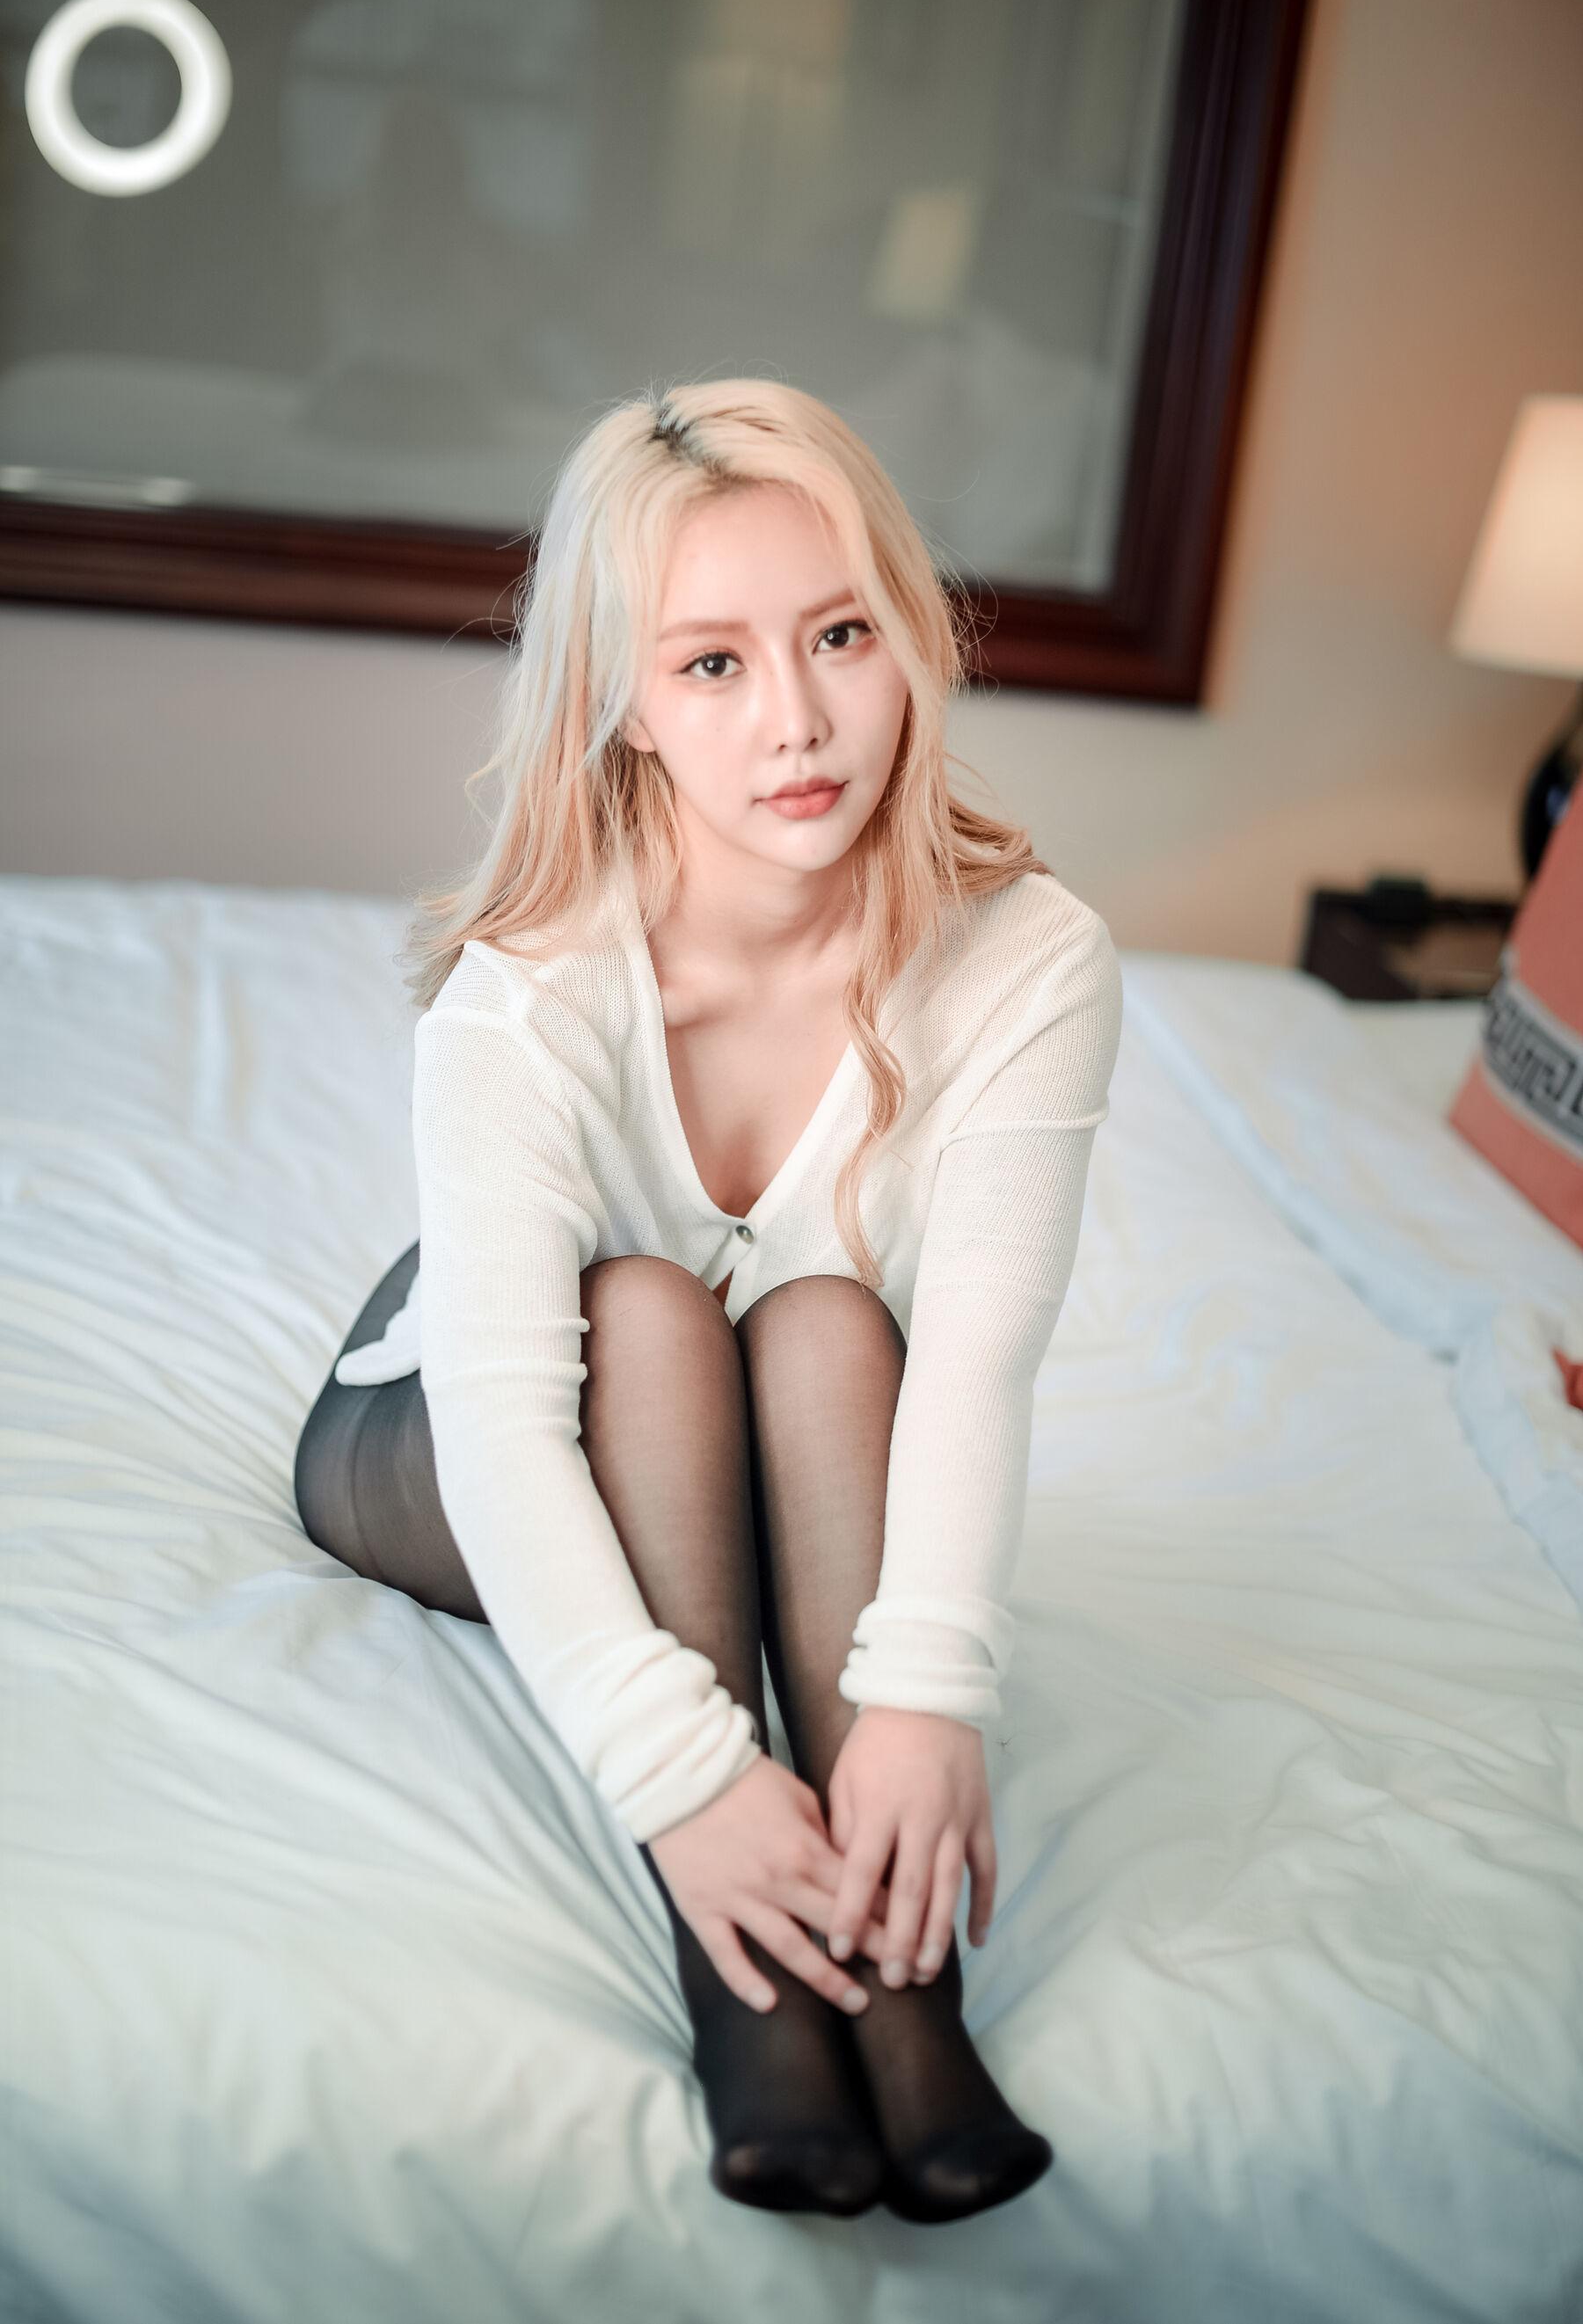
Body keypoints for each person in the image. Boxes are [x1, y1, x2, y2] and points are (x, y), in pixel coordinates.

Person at [293, 377, 1123, 2224]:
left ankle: (908, 1994)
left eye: (840, 635)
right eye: (713, 664)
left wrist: (929, 1699)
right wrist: (683, 1779)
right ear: (624, 701)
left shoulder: (1033, 960)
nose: (798, 721)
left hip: (752, 1410)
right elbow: (504, 1430)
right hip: (433, 1416)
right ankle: (746, 1991)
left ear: (913, 636)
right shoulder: (527, 988)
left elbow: (975, 1361)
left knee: (829, 1325)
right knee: (657, 1315)